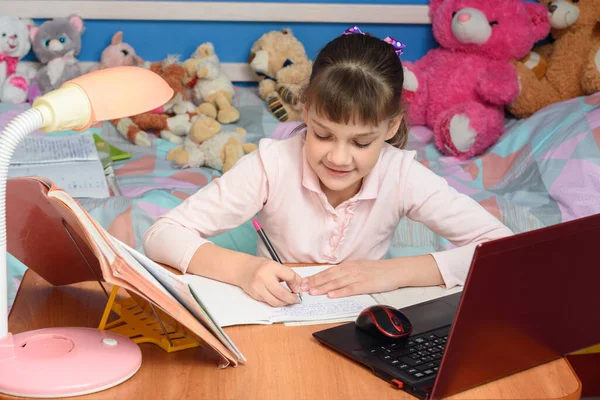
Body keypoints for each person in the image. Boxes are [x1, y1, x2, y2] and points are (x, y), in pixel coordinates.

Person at [143, 28, 513, 307]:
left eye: (361, 142)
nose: (338, 158)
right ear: (306, 113)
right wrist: (243, 270)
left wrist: (391, 272)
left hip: (362, 324)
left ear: (392, 127)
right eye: (322, 135)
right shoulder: (272, 164)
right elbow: (162, 234)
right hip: (275, 316)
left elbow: (503, 250)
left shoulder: (401, 174)